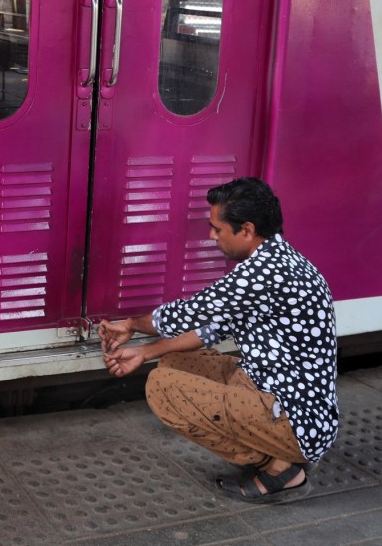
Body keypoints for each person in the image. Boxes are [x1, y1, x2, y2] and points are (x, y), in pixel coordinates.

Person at [99, 177, 338, 504]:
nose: (212, 236)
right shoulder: (281, 259)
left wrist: (130, 325)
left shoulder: (264, 272)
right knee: (173, 363)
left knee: (163, 387)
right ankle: (280, 459)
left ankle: (279, 469)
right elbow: (210, 329)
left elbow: (185, 315)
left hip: (295, 419)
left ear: (248, 230)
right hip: (283, 399)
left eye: (217, 229)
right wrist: (145, 351)